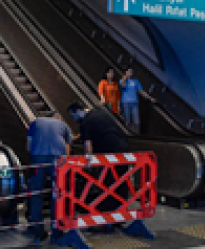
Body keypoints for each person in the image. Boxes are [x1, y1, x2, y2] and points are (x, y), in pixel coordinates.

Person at [68, 102, 130, 231]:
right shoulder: (101, 114)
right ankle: (121, 215)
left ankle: (107, 218)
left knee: (108, 184)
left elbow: (88, 146)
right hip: (124, 150)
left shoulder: (85, 123)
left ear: (79, 111)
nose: (73, 120)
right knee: (122, 182)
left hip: (108, 155)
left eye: (73, 115)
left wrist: (87, 163)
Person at [26, 112, 72, 243]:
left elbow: (28, 145)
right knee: (57, 194)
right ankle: (56, 232)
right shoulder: (64, 125)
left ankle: (38, 233)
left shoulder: (36, 121)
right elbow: (67, 149)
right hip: (57, 159)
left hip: (37, 158)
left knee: (36, 195)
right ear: (58, 118)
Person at [119, 66, 155, 133]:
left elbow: (141, 91)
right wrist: (124, 79)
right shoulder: (122, 80)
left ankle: (137, 135)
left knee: (137, 122)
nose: (131, 73)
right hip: (125, 102)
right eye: (129, 71)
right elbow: (123, 87)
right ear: (126, 72)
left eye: (131, 72)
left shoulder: (136, 81)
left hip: (134, 102)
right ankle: (128, 135)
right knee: (127, 121)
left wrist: (150, 98)